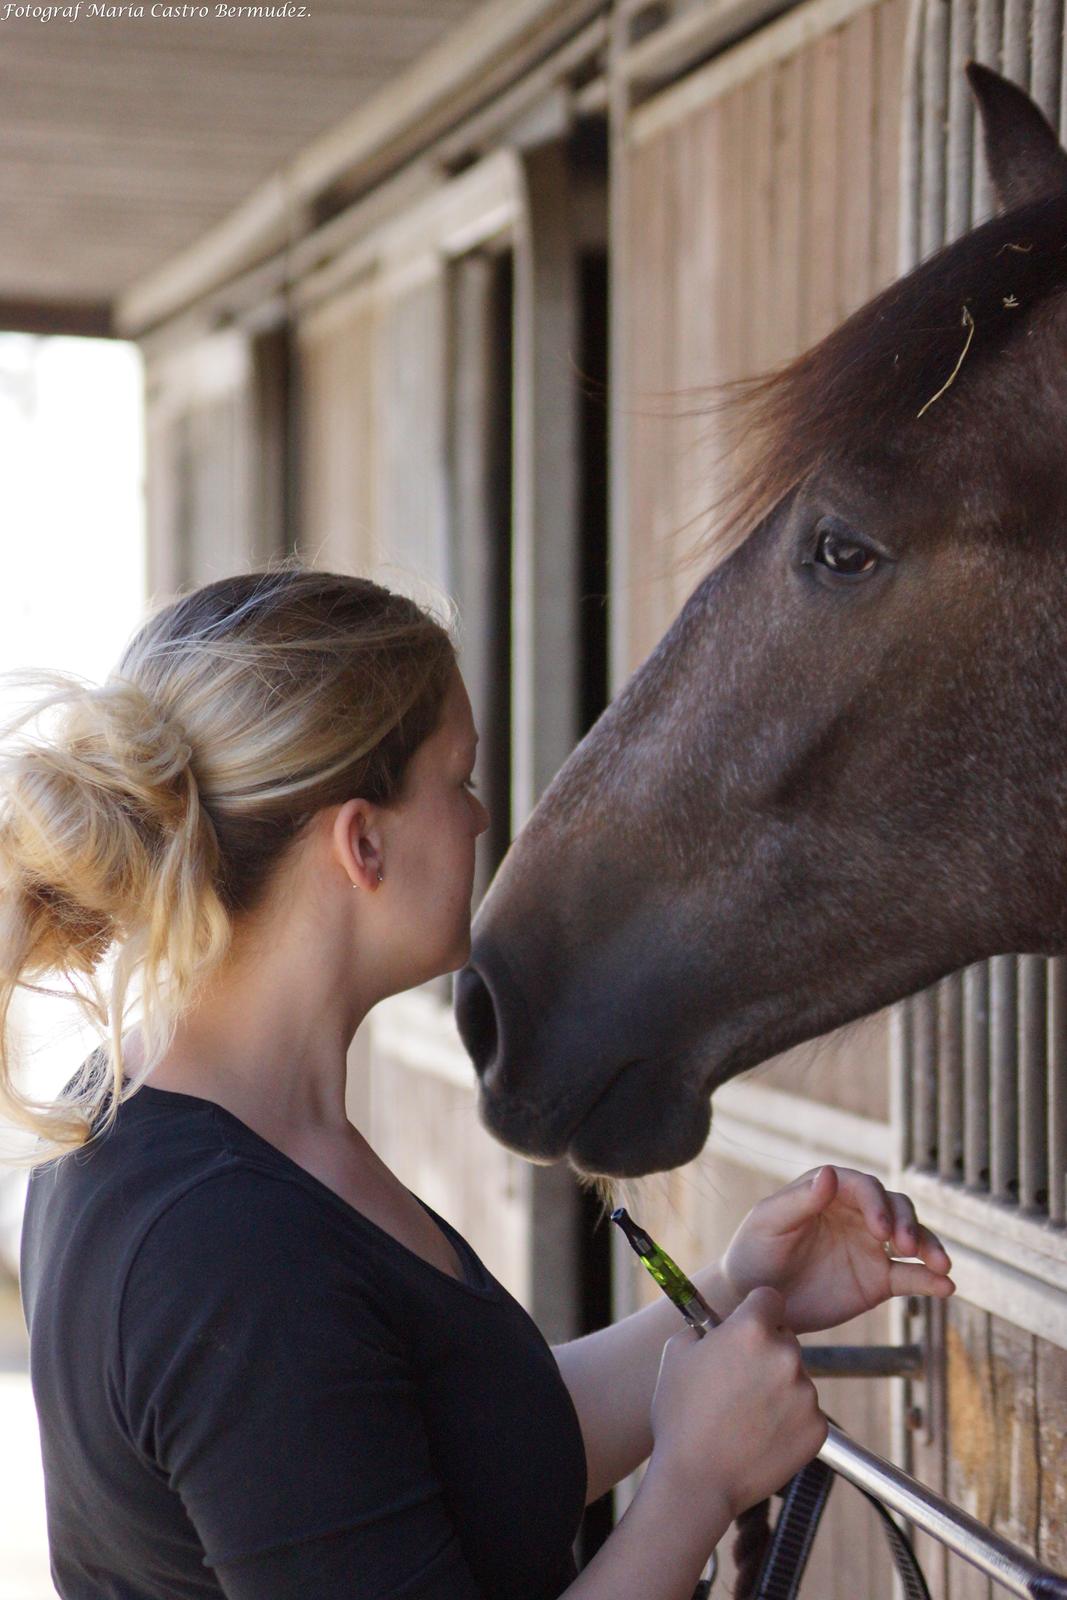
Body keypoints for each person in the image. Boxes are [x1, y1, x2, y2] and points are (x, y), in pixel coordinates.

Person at [2, 566, 954, 1600]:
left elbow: (451, 1462)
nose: (480, 814)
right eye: (457, 778)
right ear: (361, 841)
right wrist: (692, 1484)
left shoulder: (184, 1120)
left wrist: (733, 1292)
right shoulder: (225, 1251)